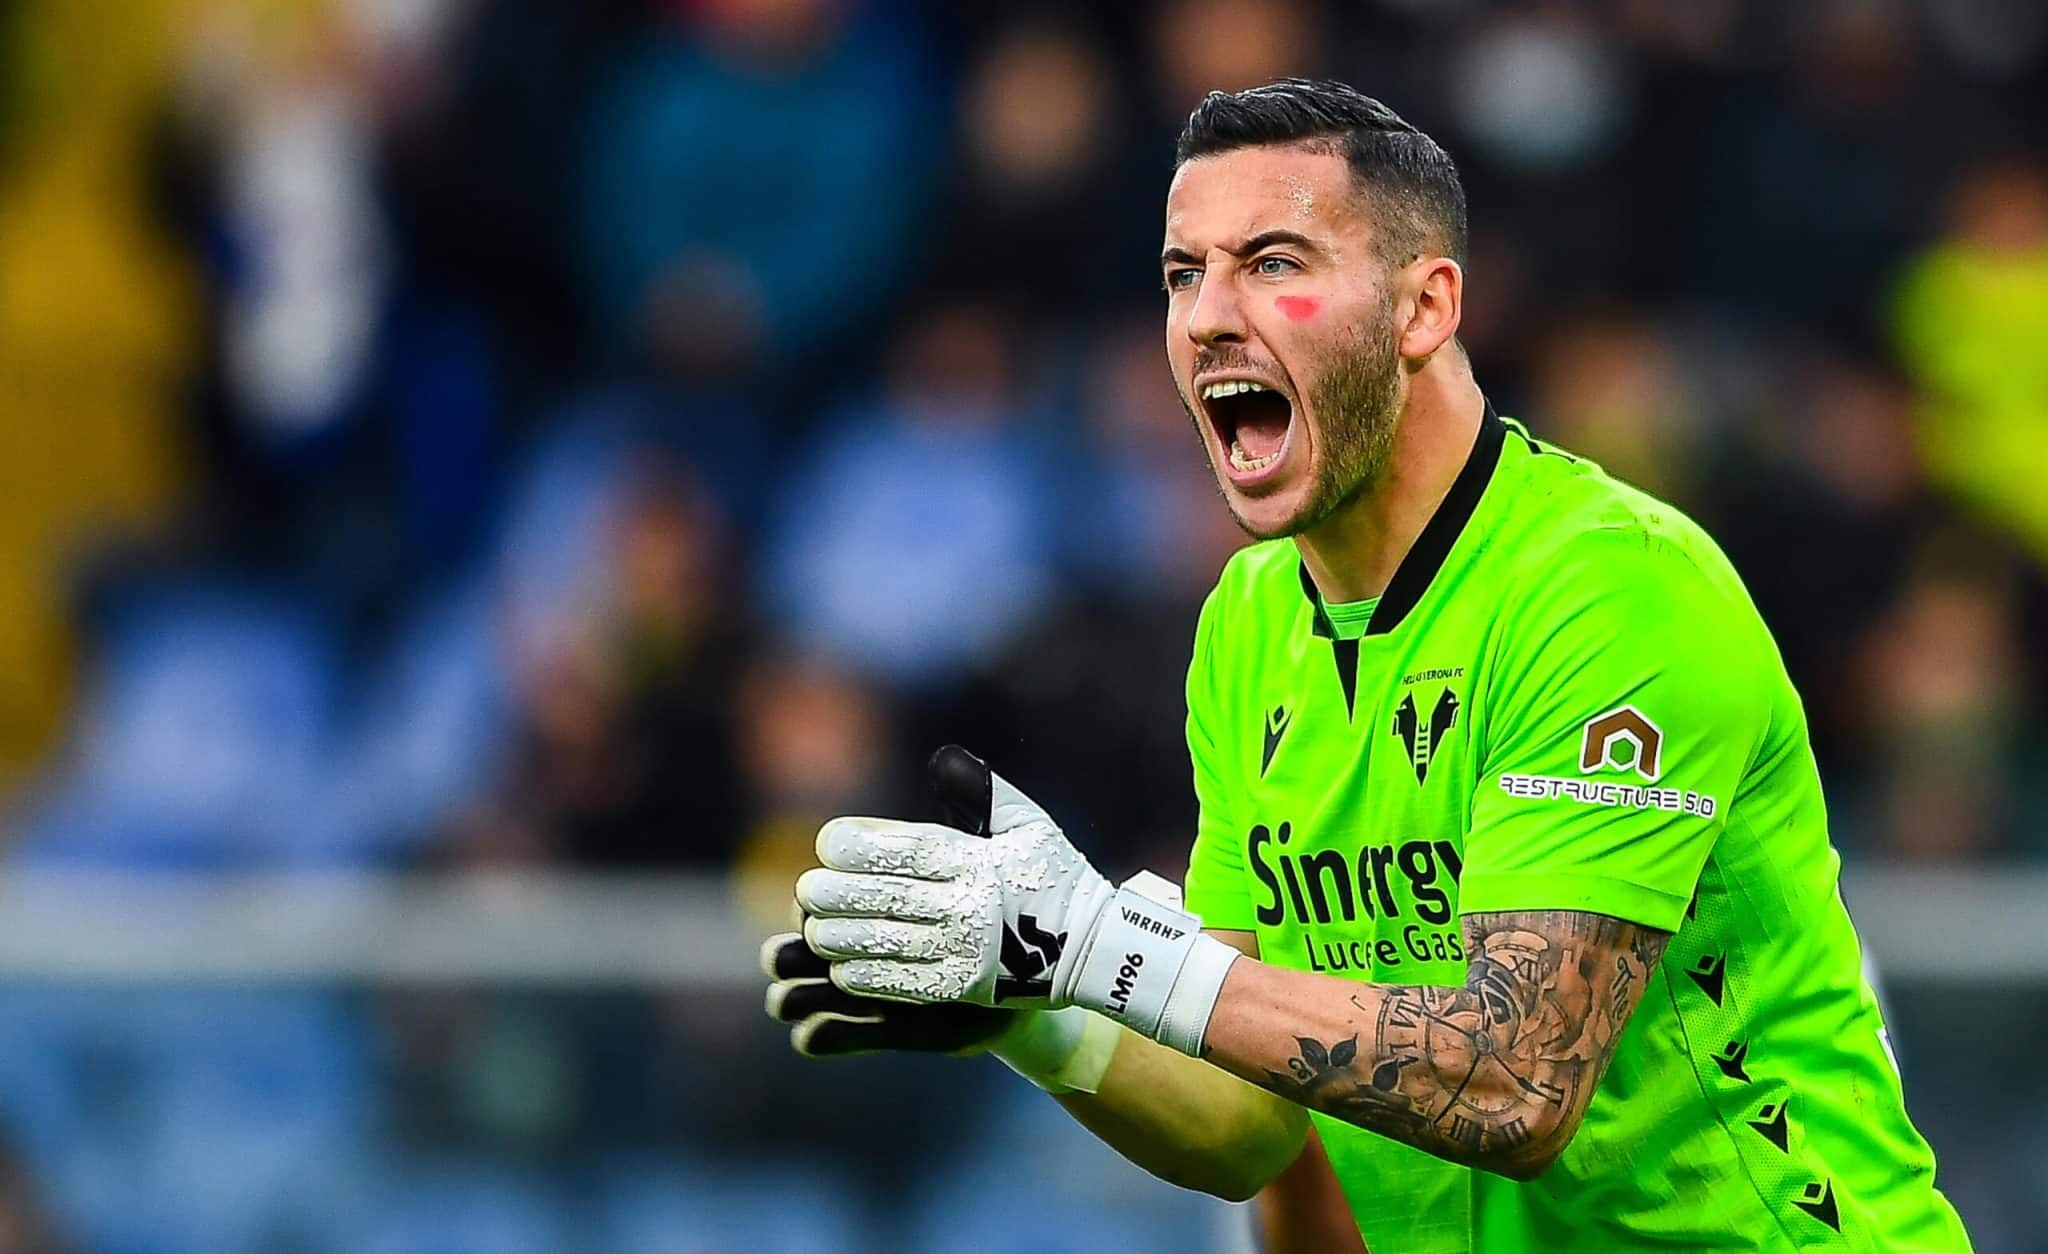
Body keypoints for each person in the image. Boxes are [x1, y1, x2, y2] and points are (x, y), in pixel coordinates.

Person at [764, 79, 1974, 1252]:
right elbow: (1251, 1122)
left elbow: (1513, 1081)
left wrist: (1095, 945)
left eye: (1271, 263)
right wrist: (1043, 1016)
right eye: (1182, 274)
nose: (1206, 316)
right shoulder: (1249, 622)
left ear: (1423, 308)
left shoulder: (1609, 589)